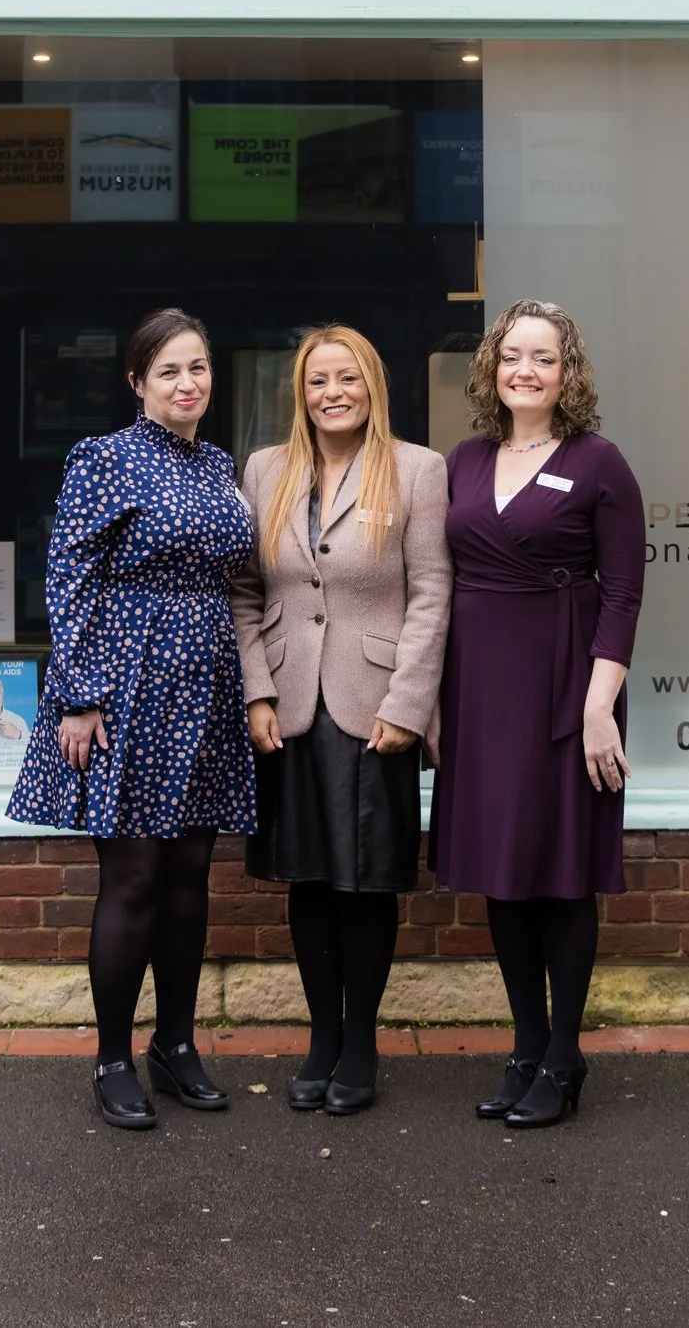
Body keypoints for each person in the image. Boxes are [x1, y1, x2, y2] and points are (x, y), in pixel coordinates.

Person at [5, 308, 256, 1130]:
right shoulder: (103, 458)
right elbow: (67, 574)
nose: (189, 384)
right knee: (136, 878)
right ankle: (114, 1056)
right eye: (171, 372)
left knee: (189, 877)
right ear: (138, 383)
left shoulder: (220, 465)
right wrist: (78, 692)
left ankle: (175, 1046)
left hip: (205, 684)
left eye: (200, 369)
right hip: (127, 681)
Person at [430, 299, 645, 1129]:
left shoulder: (599, 463)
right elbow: (439, 585)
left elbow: (623, 594)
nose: (527, 370)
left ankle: (564, 1054)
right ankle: (524, 1045)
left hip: (567, 683)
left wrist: (600, 708)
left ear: (568, 373)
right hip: (480, 687)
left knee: (559, 874)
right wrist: (438, 704)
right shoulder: (466, 459)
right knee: (504, 873)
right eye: (512, 356)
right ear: (490, 368)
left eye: (544, 358)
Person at [233, 326, 451, 1115]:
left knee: (364, 884)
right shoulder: (265, 470)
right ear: (302, 391)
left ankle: (361, 1044)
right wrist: (256, 692)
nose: (333, 392)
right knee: (309, 882)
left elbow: (432, 594)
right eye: (318, 379)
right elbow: (246, 593)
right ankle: (322, 1036)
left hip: (375, 709)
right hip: (291, 706)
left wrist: (408, 704)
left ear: (372, 385)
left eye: (347, 378)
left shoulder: (420, 470)